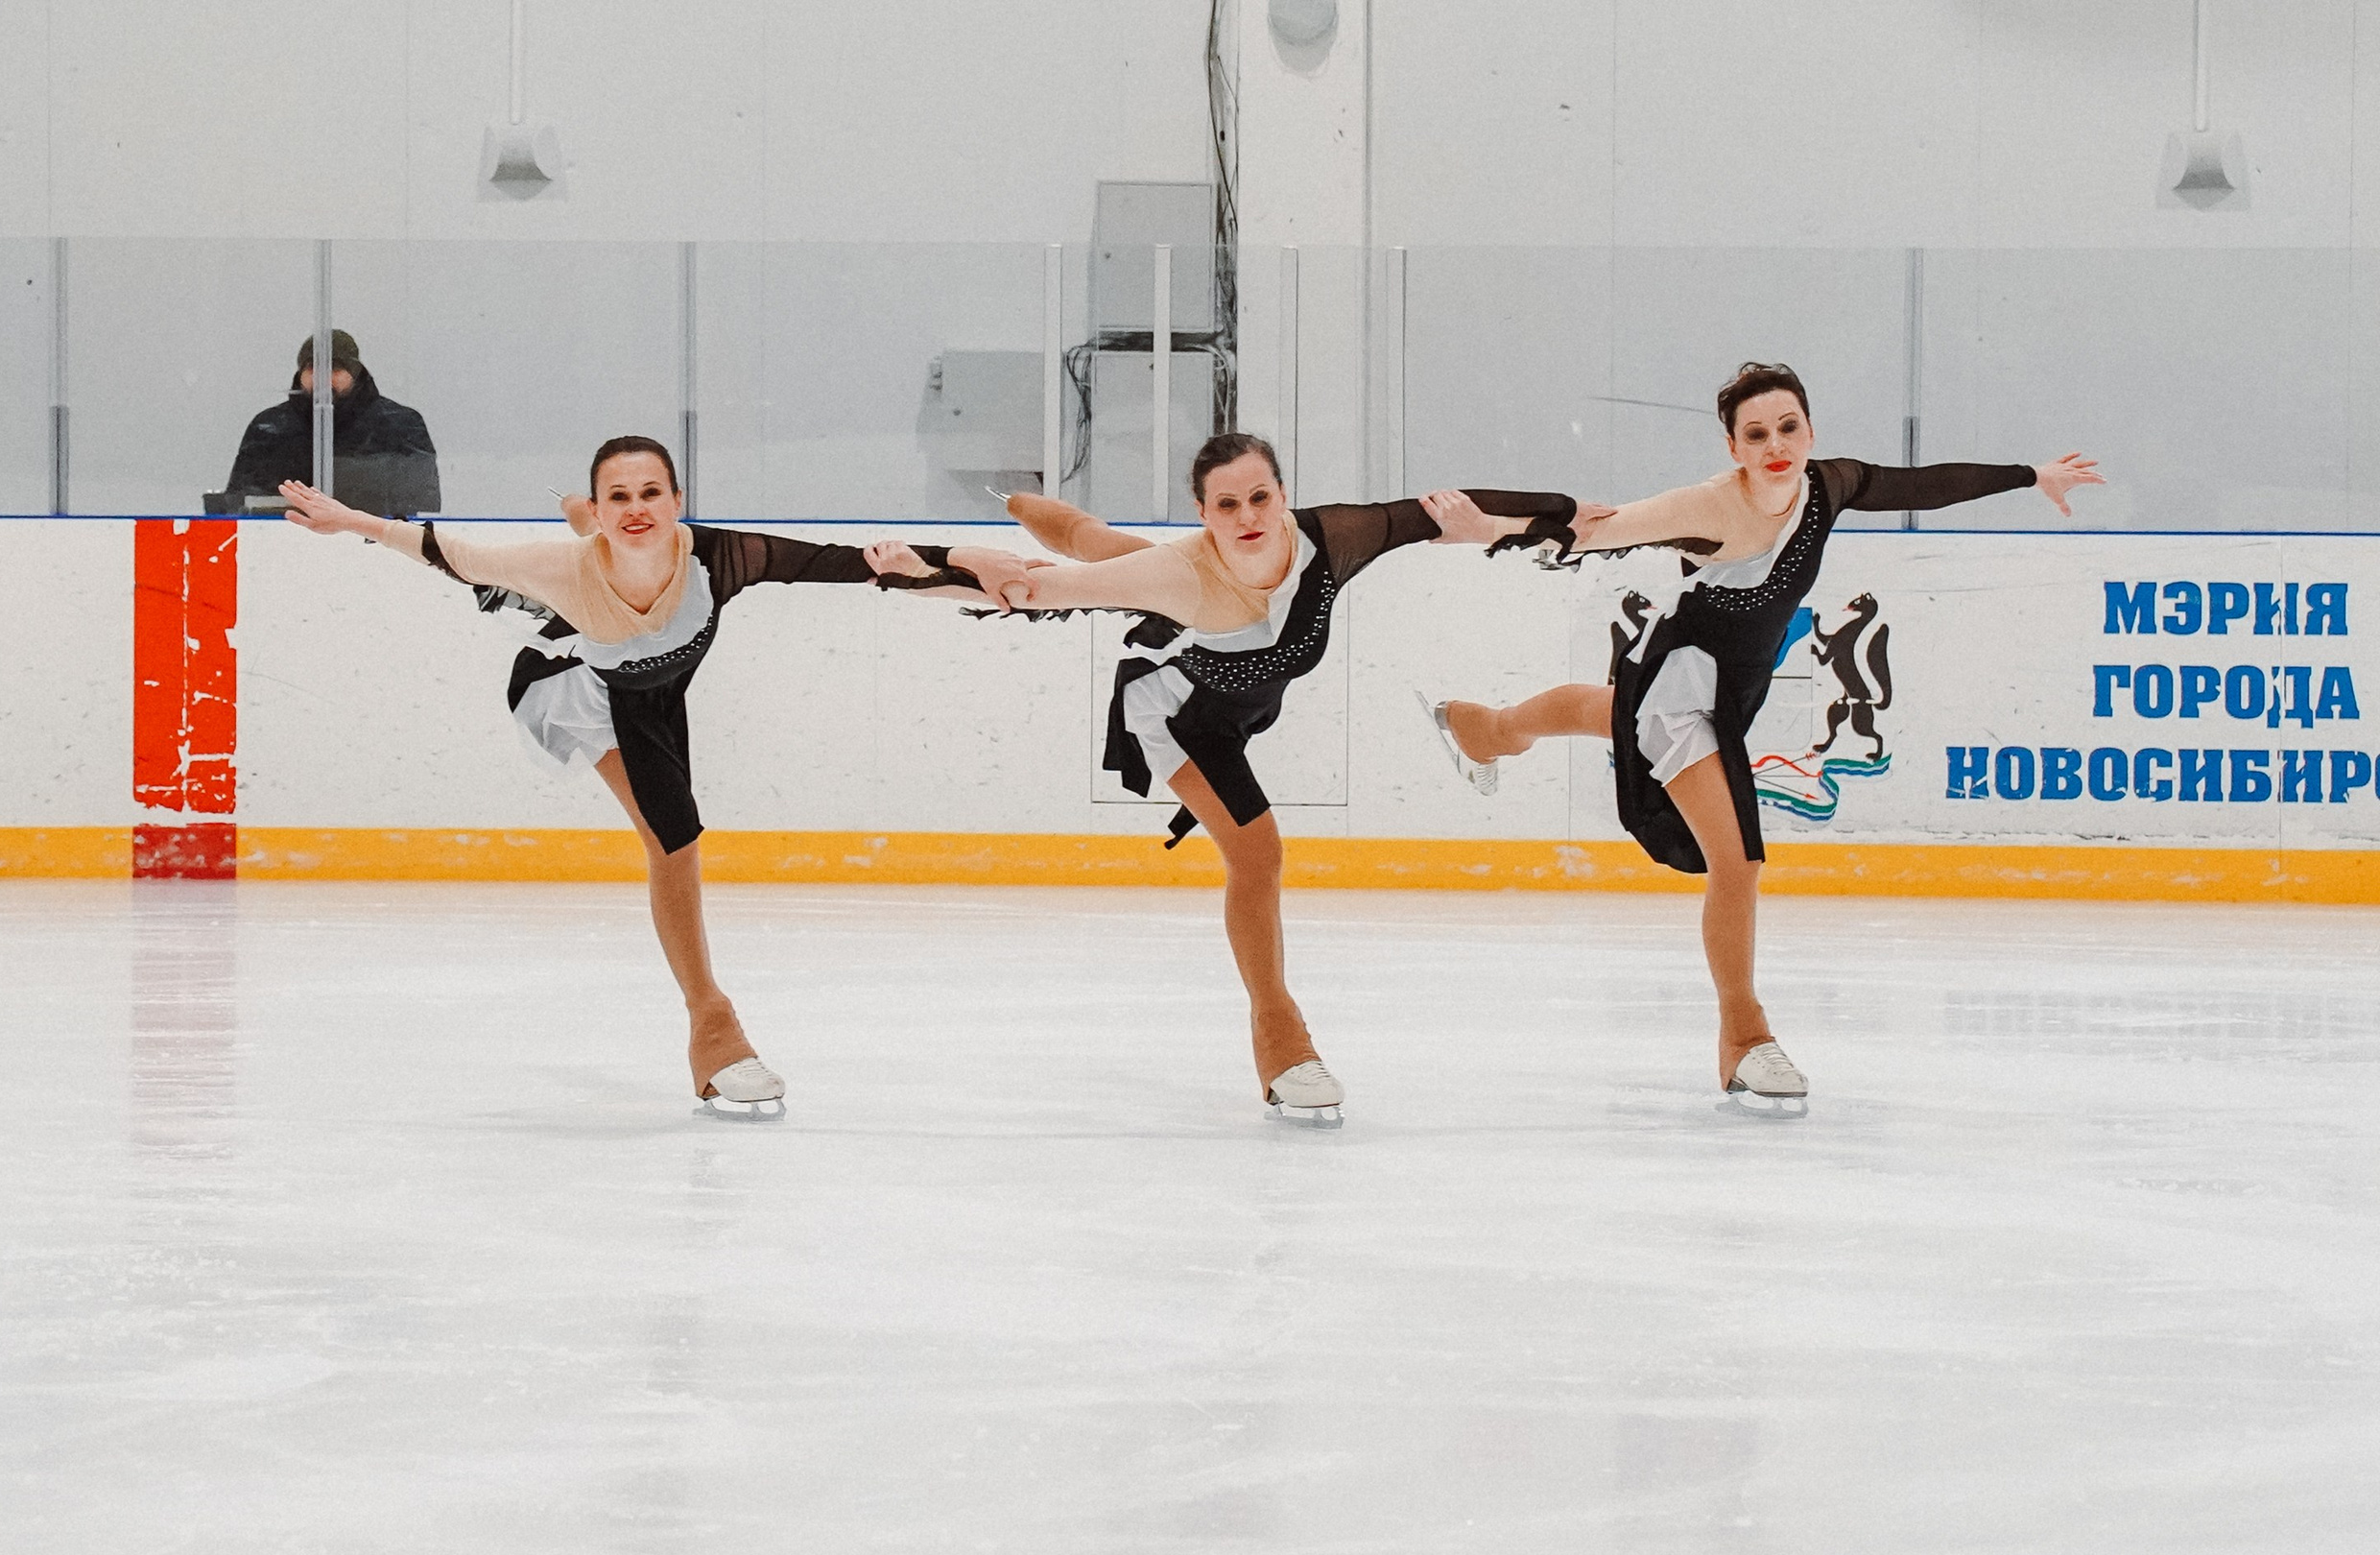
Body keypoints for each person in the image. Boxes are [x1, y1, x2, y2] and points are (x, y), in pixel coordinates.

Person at [1421, 363, 2104, 1112]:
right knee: (1736, 859)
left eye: (1788, 428)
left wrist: (2029, 475)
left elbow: (1920, 484)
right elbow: (1598, 531)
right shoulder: (1711, 506)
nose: (1776, 445)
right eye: (1756, 434)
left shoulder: (1831, 485)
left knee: (1602, 710)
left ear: (1809, 430)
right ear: (1734, 445)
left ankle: (1483, 729)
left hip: (1726, 694)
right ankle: (1744, 1037)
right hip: (1683, 689)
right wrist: (1483, 528)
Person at [869, 434, 1597, 1121]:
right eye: (1226, 505)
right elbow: (1029, 591)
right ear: (1203, 513)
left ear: (1282, 495)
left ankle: (1016, 497)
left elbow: (1447, 509)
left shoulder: (1334, 539)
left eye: (1259, 498)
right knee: (1258, 854)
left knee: (1096, 541)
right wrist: (911, 572)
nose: (1247, 516)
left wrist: (1570, 514)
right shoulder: (1178, 572)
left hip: (1244, 695)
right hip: (1182, 713)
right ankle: (1282, 1041)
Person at [276, 436, 991, 1112]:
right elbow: (448, 551)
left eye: (651, 491)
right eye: (617, 497)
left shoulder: (719, 556)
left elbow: (843, 563)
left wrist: (957, 559)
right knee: (674, 838)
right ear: (600, 508)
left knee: (672, 829)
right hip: (583, 686)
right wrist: (349, 522)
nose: (637, 506)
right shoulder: (562, 565)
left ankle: (710, 1028)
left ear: (678, 499)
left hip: (657, 693)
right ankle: (713, 1027)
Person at [226, 330, 441, 517]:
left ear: (354, 373)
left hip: (373, 546)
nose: (322, 378)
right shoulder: (270, 428)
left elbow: (423, 503)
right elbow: (238, 501)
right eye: (312, 368)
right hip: (287, 545)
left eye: (334, 368)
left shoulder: (401, 424)